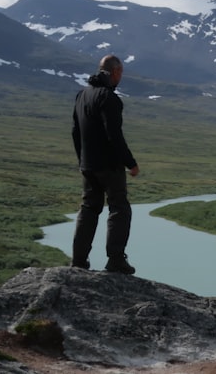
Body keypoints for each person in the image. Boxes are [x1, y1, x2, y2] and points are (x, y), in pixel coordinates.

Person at [70, 54, 140, 274]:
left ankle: (79, 261)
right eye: (121, 73)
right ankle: (116, 260)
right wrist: (131, 163)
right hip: (109, 166)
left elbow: (75, 132)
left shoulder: (82, 95)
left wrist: (82, 160)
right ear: (116, 72)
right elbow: (114, 135)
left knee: (89, 208)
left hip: (88, 165)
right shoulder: (109, 98)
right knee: (119, 208)